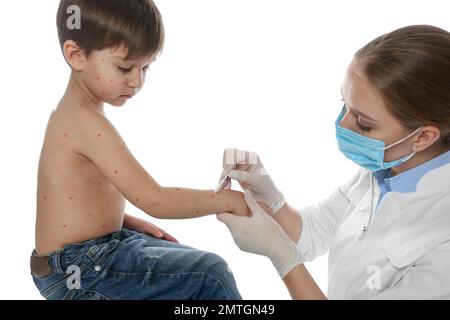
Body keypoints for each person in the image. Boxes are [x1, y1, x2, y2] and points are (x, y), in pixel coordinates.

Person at [31, 0, 249, 300]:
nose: (137, 81)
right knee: (209, 275)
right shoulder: (86, 124)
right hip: (76, 268)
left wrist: (119, 219)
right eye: (125, 67)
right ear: (76, 55)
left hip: (85, 252)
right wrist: (226, 200)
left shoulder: (72, 113)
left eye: (145, 67)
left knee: (181, 259)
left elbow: (69, 198)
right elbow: (155, 200)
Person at [217, 25, 450, 299]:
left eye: (363, 123)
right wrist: (270, 197)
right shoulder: (383, 171)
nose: (343, 124)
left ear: (423, 136)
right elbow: (312, 234)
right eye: (345, 104)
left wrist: (282, 257)